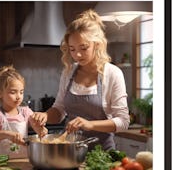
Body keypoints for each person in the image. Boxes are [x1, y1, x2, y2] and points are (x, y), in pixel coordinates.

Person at [32, 9, 130, 151]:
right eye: (72, 49)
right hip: (71, 153)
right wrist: (45, 116)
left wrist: (90, 124)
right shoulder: (68, 72)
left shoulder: (113, 73)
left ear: (97, 44)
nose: (77, 54)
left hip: (102, 155)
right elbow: (59, 110)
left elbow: (123, 122)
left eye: (83, 48)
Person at [0, 65, 48, 158]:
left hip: (23, 160)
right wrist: (8, 135)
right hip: (1, 163)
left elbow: (37, 128)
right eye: (13, 92)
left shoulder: (26, 112)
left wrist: (41, 130)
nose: (18, 96)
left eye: (21, 92)